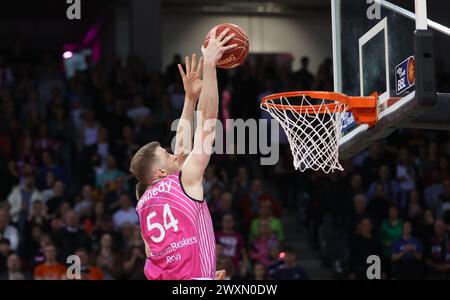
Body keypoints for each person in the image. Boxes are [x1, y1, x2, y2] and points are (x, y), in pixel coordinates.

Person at [129, 28, 237, 280]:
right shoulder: (182, 183)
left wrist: (189, 99)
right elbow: (209, 124)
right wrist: (210, 65)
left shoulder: (143, 206)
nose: (175, 155)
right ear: (161, 172)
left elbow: (181, 151)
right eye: (167, 155)